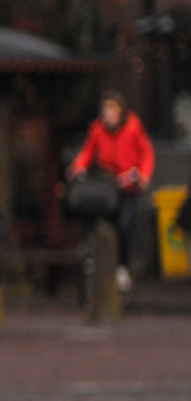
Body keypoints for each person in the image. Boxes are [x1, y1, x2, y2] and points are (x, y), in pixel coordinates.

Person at [69, 90, 157, 289]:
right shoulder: (97, 128)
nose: (108, 114)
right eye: (105, 109)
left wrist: (143, 176)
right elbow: (88, 151)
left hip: (127, 186)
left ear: (120, 111)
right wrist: (78, 168)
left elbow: (146, 152)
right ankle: (94, 259)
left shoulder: (133, 127)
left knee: (124, 226)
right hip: (107, 187)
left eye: (112, 109)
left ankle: (123, 267)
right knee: (98, 222)